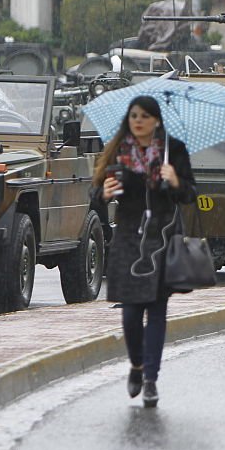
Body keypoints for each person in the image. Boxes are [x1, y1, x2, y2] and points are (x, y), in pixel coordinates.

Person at [90, 96, 197, 408]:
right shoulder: (117, 150)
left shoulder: (172, 150)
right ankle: (136, 364)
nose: (138, 120)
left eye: (145, 116)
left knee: (157, 309)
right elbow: (94, 194)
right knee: (130, 313)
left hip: (162, 237)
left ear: (156, 121)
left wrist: (175, 180)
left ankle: (151, 378)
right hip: (128, 239)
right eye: (134, 115)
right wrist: (103, 194)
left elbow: (190, 193)